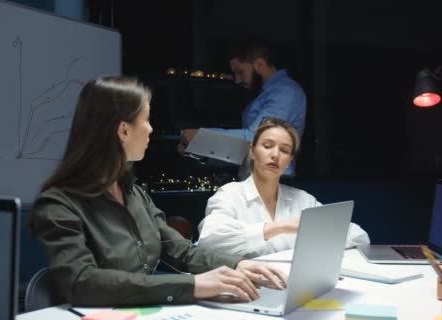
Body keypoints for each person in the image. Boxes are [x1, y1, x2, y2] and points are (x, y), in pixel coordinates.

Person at [28, 76, 287, 307]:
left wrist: (238, 265)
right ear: (124, 130)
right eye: (147, 119)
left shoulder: (134, 194)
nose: (151, 129)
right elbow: (83, 283)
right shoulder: (58, 204)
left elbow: (181, 251)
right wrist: (193, 286)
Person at [197, 118, 370, 258]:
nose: (275, 155)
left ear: (290, 160)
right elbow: (209, 241)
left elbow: (358, 236)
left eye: (285, 150)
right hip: (245, 286)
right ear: (252, 151)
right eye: (267, 146)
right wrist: (282, 227)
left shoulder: (303, 200)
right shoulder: (230, 194)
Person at [180, 39, 306, 177]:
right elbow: (244, 153)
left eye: (240, 72)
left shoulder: (285, 92)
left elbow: (259, 139)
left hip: (273, 186)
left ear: (259, 64)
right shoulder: (266, 95)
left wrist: (201, 138)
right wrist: (199, 150)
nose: (237, 80)